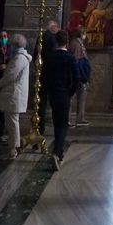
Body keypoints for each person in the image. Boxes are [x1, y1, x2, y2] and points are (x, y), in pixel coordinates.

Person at [43, 30, 79, 170]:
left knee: (57, 121)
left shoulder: (50, 57)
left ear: (56, 42)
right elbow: (76, 79)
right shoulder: (70, 58)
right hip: (64, 94)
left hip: (53, 94)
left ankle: (59, 152)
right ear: (67, 42)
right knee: (63, 124)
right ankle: (57, 152)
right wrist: (70, 92)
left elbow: (44, 77)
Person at [0, 33, 31, 160]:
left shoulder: (19, 58)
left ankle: (13, 150)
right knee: (11, 122)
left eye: (10, 45)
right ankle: (12, 148)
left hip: (14, 94)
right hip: (13, 94)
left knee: (12, 123)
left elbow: (11, 75)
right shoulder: (19, 57)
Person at [68, 27, 90, 127]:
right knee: (72, 97)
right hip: (78, 75)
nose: (85, 36)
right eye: (84, 33)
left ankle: (80, 118)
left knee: (81, 96)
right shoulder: (76, 44)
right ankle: (69, 119)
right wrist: (77, 74)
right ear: (81, 34)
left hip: (80, 74)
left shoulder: (78, 43)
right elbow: (76, 59)